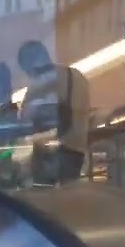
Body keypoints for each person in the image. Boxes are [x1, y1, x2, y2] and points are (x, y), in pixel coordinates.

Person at [14, 40, 92, 183]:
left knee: (47, 198)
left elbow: (25, 120)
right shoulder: (76, 76)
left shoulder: (41, 82)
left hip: (50, 151)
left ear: (28, 63)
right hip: (77, 150)